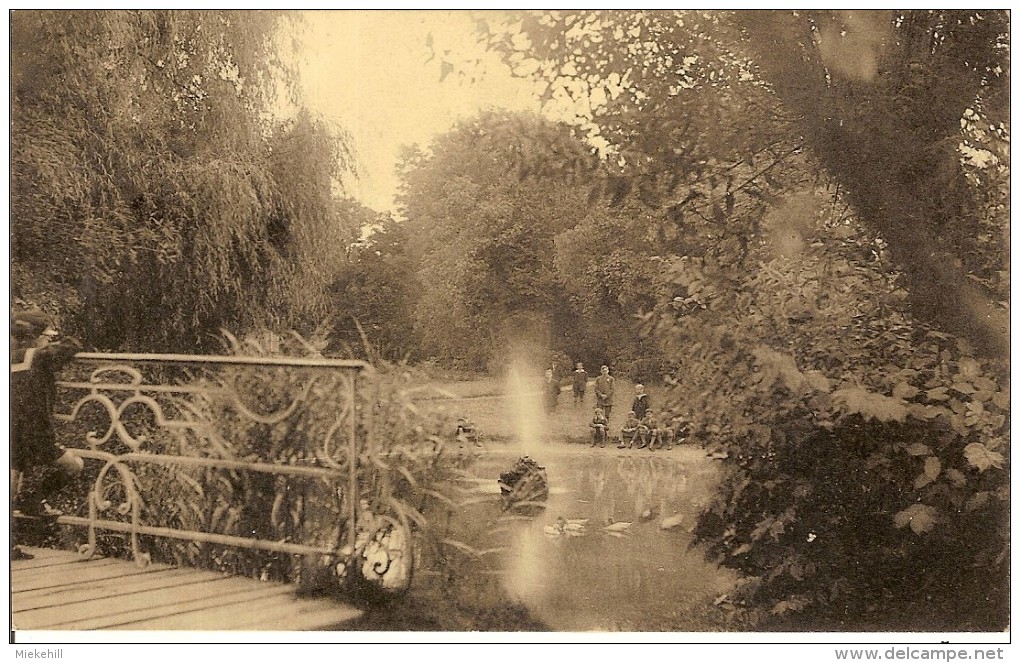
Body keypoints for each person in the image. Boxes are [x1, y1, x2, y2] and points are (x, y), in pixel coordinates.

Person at [11, 309, 84, 560]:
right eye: (46, 336)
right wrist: (57, 341)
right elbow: (72, 346)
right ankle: (33, 499)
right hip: (36, 435)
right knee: (73, 466)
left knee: (9, 485)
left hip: (12, 433)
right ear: (37, 337)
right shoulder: (39, 356)